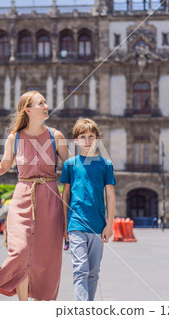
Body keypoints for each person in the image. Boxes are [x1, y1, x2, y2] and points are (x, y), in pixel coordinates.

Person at [0, 91, 70, 301]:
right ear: (28, 110)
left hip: (50, 199)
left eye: (46, 101)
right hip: (22, 198)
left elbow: (73, 168)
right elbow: (5, 166)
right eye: (41, 102)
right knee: (20, 252)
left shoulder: (55, 136)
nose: (47, 105)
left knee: (47, 258)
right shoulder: (14, 137)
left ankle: (43, 302)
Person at [60, 118, 116, 301]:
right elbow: (65, 195)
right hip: (76, 224)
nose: (87, 141)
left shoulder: (106, 165)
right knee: (80, 269)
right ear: (75, 140)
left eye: (91, 136)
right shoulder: (70, 164)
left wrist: (110, 225)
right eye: (82, 137)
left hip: (98, 226)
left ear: (97, 138)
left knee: (93, 273)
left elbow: (110, 195)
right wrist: (64, 224)